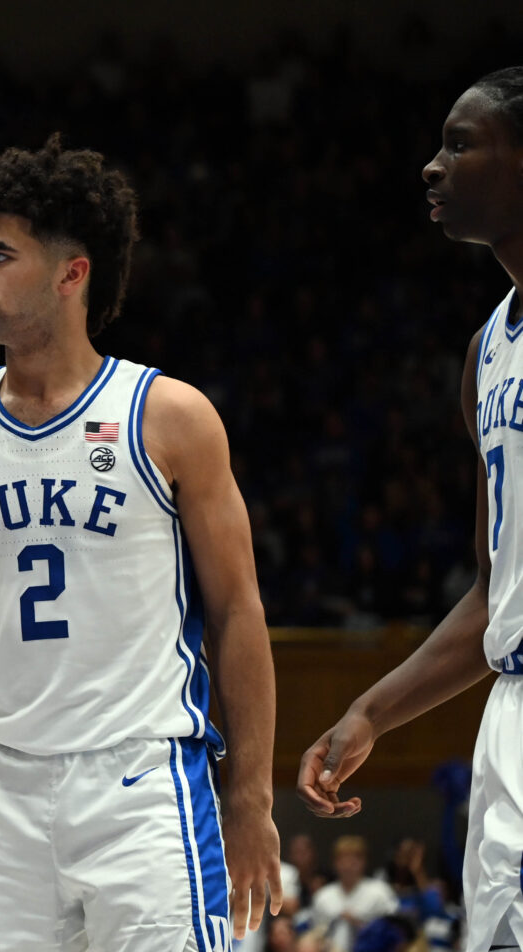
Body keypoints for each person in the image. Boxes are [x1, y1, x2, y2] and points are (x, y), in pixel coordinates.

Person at [0, 136, 282, 950]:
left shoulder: (169, 417)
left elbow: (238, 614)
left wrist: (249, 799)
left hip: (143, 785)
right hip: (4, 784)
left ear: (72, 272)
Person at [297, 66, 523, 952]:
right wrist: (371, 712)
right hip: (508, 717)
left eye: (461, 144)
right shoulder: (486, 354)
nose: (432, 167)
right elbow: (491, 591)